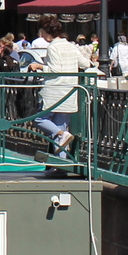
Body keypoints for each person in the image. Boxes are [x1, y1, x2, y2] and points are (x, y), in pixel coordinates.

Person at [31, 16, 93, 155]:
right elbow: (85, 64)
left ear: (46, 31)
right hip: (69, 91)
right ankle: (61, 164)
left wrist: (39, 66)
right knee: (61, 129)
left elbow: (55, 69)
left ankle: (61, 137)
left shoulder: (53, 47)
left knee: (39, 119)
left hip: (54, 91)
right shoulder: (70, 45)